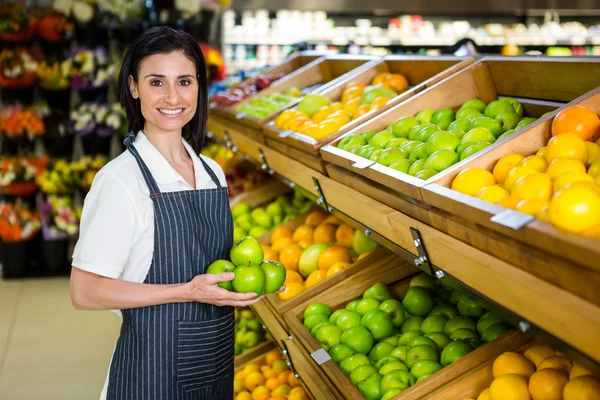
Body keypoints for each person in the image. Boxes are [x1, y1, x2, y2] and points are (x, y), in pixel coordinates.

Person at [70, 26, 266, 399]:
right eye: (157, 82)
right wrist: (187, 291)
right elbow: (85, 292)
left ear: (199, 87)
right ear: (133, 87)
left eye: (185, 81)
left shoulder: (212, 173)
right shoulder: (120, 181)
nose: (173, 96)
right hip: (150, 374)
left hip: (214, 367)